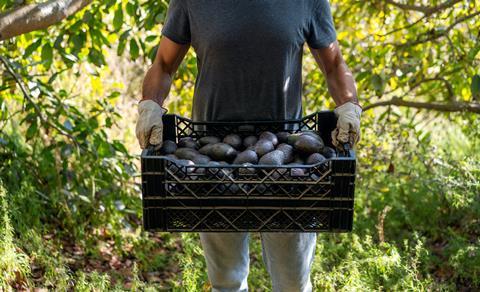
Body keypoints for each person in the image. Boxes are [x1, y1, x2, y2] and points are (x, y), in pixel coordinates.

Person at [136, 0, 361, 291]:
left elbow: (333, 64)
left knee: (292, 281)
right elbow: (164, 64)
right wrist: (150, 105)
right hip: (210, 157)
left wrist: (349, 106)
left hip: (287, 157)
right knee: (225, 279)